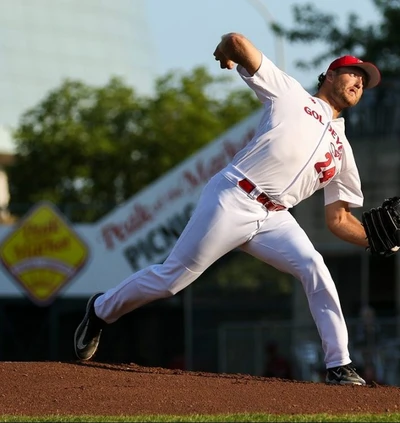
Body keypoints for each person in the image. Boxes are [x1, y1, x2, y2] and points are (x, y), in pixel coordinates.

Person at [73, 32, 382, 386]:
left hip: (276, 218)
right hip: (234, 195)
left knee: (315, 266)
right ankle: (100, 310)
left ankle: (338, 364)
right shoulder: (292, 94)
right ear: (329, 75)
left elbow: (339, 220)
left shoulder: (343, 150)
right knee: (172, 280)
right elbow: (235, 40)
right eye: (352, 72)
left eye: (364, 79)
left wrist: (374, 240)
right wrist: (225, 53)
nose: (359, 80)